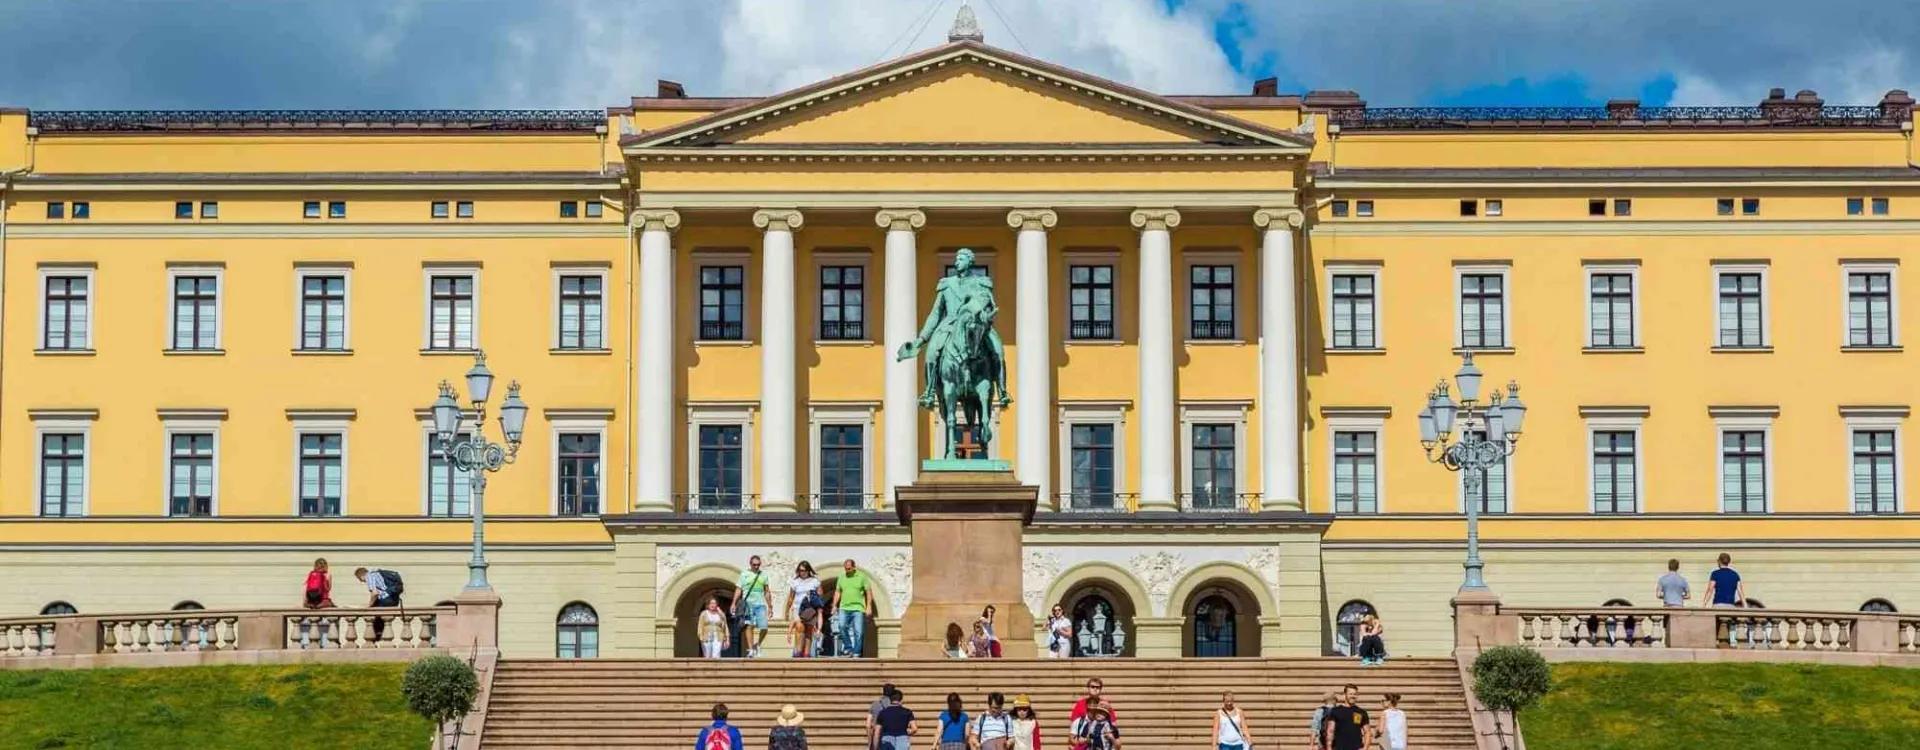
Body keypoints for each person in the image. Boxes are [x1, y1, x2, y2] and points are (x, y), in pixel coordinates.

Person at [832, 558, 877, 657]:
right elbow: (838, 592)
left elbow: (868, 592)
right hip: (844, 607)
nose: (847, 570)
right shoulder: (841, 578)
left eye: (849, 568)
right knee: (841, 626)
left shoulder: (862, 577)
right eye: (845, 569)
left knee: (858, 631)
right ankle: (848, 647)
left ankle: (856, 652)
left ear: (854, 567)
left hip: (858, 608)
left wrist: (869, 606)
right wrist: (834, 605)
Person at [732, 555, 772, 658]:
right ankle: (750, 650)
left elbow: (767, 591)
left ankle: (757, 644)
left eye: (758, 564)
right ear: (750, 564)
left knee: (764, 627)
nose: (756, 566)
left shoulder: (763, 575)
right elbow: (739, 589)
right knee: (749, 626)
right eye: (754, 564)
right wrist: (733, 603)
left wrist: (770, 606)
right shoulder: (744, 574)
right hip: (748, 604)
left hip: (760, 604)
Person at [786, 560, 824, 658]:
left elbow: (820, 595)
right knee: (799, 627)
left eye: (803, 570)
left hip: (810, 609)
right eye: (799, 570)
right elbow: (791, 597)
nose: (801, 572)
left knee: (808, 630)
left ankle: (807, 654)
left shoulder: (814, 581)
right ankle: (797, 652)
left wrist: (815, 600)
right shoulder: (795, 582)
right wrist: (787, 610)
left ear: (808, 570)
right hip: (798, 608)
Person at [353, 567, 400, 641]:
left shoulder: (369, 576)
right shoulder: (377, 573)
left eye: (360, 579)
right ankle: (380, 633)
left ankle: (376, 635)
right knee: (379, 615)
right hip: (393, 600)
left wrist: (369, 605)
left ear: (361, 575)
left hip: (385, 599)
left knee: (371, 611)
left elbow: (375, 593)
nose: (362, 581)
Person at [1324, 684, 1370, 750]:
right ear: (1345, 694)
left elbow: (1367, 732)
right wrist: (1329, 747)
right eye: (1350, 694)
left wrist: (1365, 748)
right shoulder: (1336, 711)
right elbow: (1330, 731)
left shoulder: (1361, 712)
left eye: (1355, 694)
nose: (1353, 696)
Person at [868, 683, 897, 749]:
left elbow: (868, 725)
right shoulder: (895, 706)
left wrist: (870, 740)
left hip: (876, 736)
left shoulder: (874, 704)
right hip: (890, 736)